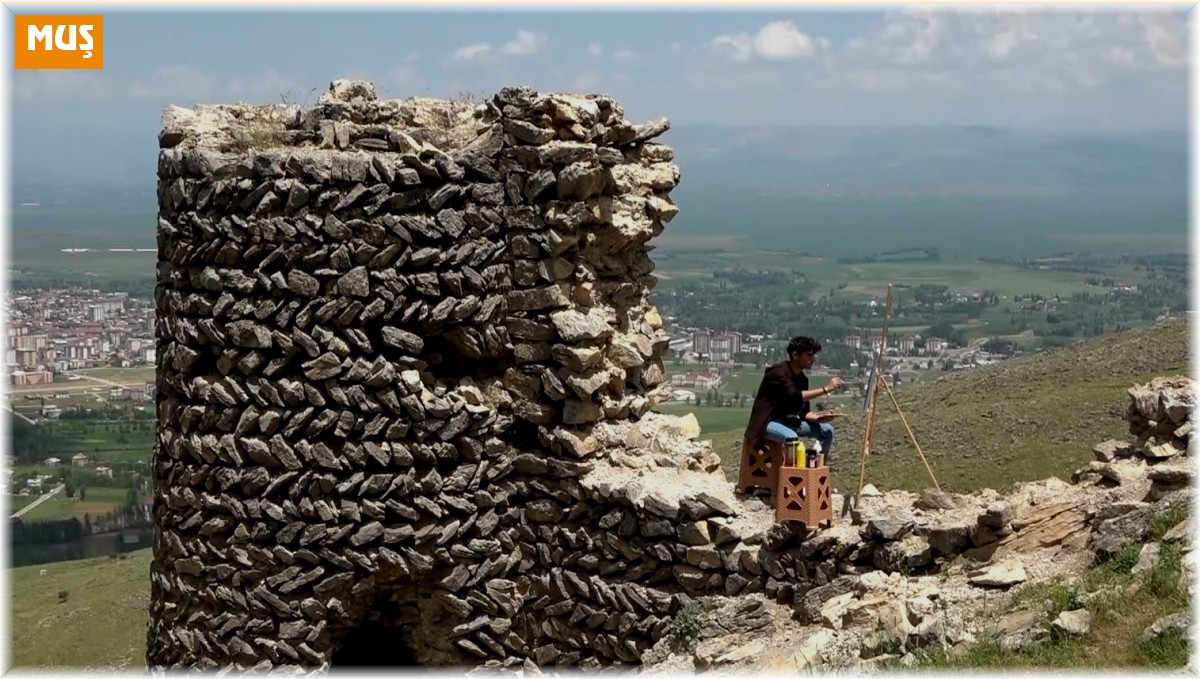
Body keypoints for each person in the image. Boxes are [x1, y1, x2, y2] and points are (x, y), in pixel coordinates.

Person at [744, 335, 845, 461]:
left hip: (788, 423)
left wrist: (819, 418)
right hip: (768, 423)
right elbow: (794, 396)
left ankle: (813, 464)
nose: (813, 359)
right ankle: (793, 472)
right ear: (795, 355)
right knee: (791, 437)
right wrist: (826, 389)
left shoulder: (802, 379)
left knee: (827, 431)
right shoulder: (778, 373)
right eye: (809, 355)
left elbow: (804, 411)